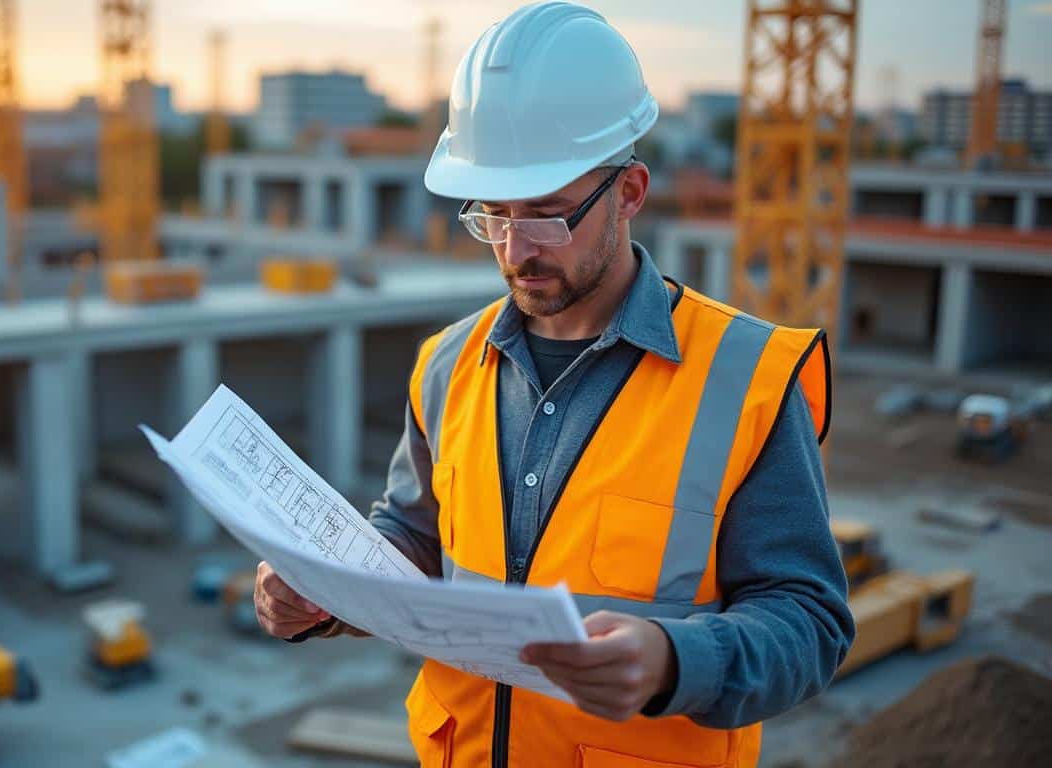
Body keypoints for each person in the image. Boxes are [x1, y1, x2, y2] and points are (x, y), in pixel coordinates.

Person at [254, 2, 854, 766]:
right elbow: (415, 541)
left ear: (630, 192)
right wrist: (327, 591)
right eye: (493, 216)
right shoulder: (445, 364)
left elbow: (811, 622)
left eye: (546, 215)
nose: (515, 249)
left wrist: (675, 661)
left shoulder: (746, 380)